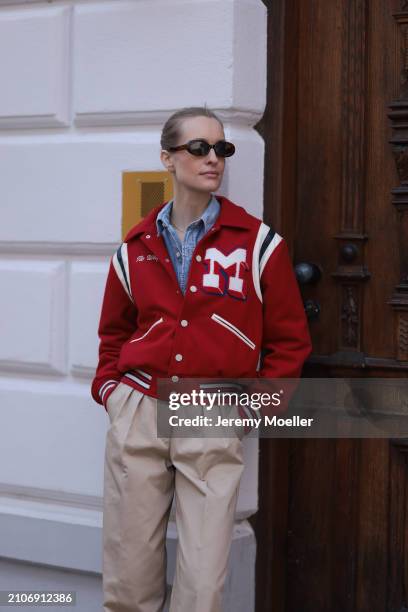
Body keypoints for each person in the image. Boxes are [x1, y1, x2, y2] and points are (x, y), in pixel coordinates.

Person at [91, 106, 312, 612]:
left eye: (222, 149)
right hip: (140, 410)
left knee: (203, 582)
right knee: (129, 576)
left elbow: (289, 343)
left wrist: (248, 410)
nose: (213, 158)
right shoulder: (136, 246)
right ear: (167, 158)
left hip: (212, 410)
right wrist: (112, 392)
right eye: (199, 148)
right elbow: (113, 333)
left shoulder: (258, 244)